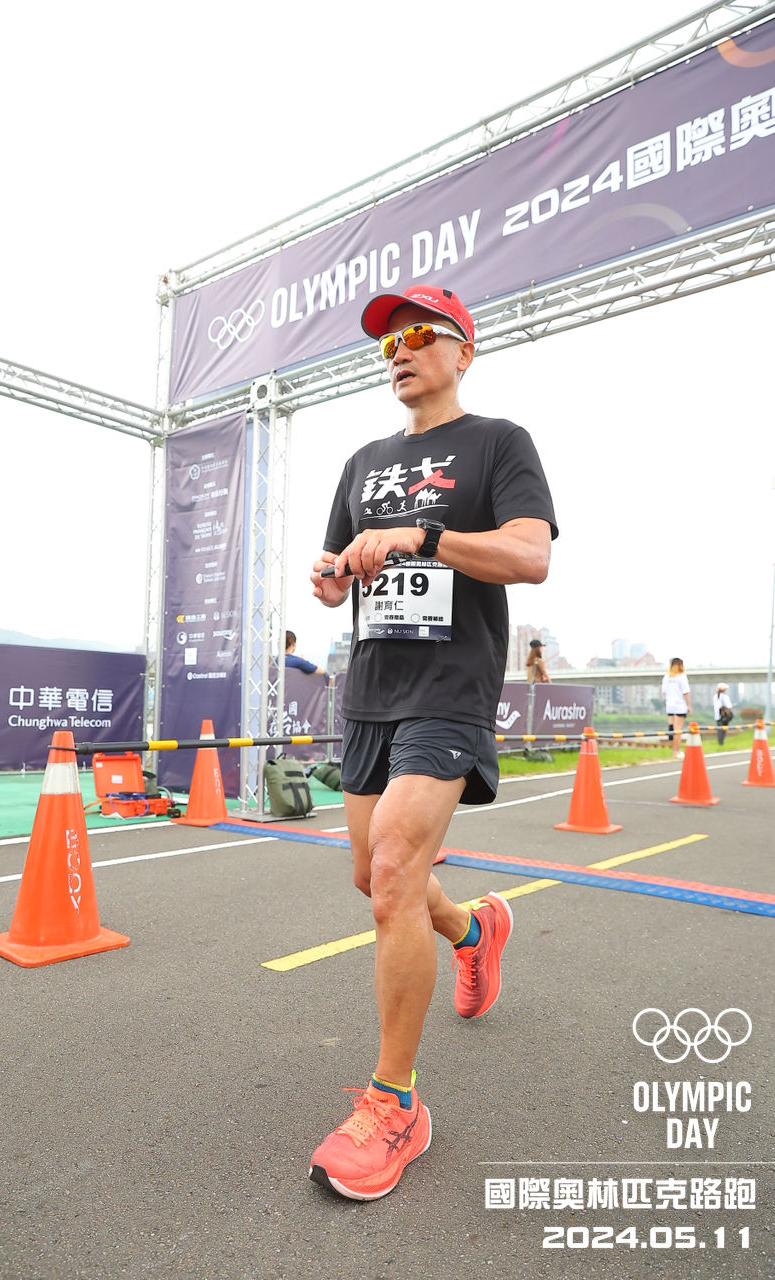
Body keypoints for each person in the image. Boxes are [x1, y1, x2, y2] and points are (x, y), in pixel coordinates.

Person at [308, 284, 558, 1200]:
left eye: (417, 335)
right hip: (372, 691)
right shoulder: (363, 461)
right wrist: (333, 580)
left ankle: (395, 1104)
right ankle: (473, 930)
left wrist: (423, 533)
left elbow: (529, 556)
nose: (399, 352)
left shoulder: (497, 442)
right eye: (387, 345)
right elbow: (341, 575)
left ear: (462, 351)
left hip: (450, 689)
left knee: (394, 873)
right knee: (373, 878)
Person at [661, 657, 692, 759]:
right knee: (678, 730)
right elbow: (685, 693)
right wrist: (689, 706)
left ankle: (673, 751)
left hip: (670, 706)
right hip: (680, 706)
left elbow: (663, 692)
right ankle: (677, 750)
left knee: (672, 730)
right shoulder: (682, 676)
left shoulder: (666, 677)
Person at [713, 682, 733, 747]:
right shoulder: (725, 697)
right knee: (723, 730)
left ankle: (719, 743)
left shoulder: (715, 696)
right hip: (724, 717)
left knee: (719, 730)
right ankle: (721, 743)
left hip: (717, 716)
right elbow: (729, 706)